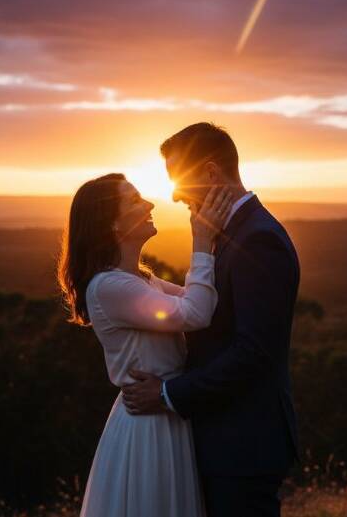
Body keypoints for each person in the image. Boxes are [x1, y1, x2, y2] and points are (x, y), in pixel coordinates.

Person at [122, 122, 301, 517]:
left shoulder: (259, 239)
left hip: (244, 444)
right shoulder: (225, 231)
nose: (173, 194)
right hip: (224, 437)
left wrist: (168, 394)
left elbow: (254, 353)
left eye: (179, 180)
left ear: (209, 173)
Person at [57, 172, 234, 517]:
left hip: (165, 413)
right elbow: (195, 313)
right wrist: (201, 240)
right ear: (111, 225)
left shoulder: (141, 280)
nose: (150, 203)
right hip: (147, 427)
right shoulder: (109, 287)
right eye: (135, 201)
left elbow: (201, 303)